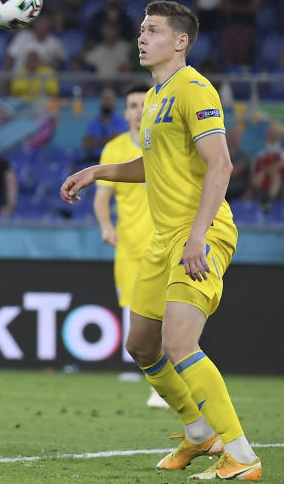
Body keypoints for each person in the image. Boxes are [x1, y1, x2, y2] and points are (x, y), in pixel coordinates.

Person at [61, 0, 262, 480]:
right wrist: (99, 171)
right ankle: (198, 433)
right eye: (141, 30)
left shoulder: (195, 88)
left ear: (180, 41)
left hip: (202, 233)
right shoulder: (155, 97)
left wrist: (198, 236)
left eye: (152, 30)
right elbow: (154, 166)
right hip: (163, 237)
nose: (141, 38)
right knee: (142, 345)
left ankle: (242, 455)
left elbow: (222, 164)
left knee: (178, 341)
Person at [93, 83, 169, 410]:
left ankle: (166, 380)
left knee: (169, 311)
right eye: (132, 105)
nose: (138, 110)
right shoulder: (114, 149)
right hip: (130, 246)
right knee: (133, 309)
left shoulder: (164, 143)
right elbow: (101, 198)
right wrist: (107, 227)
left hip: (166, 242)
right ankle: (142, 370)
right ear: (125, 112)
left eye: (143, 104)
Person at [81, 87, 129, 162]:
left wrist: (95, 142)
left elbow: (122, 141)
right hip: (94, 160)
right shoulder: (94, 122)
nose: (106, 102)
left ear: (114, 102)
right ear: (100, 102)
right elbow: (86, 144)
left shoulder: (121, 121)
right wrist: (110, 139)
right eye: (104, 99)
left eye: (109, 99)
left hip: (116, 160)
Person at [248, 123, 284, 205]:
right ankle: (265, 203)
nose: (272, 140)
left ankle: (270, 200)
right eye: (270, 137)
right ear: (265, 139)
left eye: (275, 137)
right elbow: (254, 178)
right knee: (256, 181)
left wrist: (263, 172)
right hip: (262, 189)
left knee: (275, 172)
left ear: (280, 139)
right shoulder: (259, 157)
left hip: (282, 191)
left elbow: (280, 165)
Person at [225, 125, 251, 201]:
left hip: (239, 196)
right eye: (231, 138)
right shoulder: (220, 155)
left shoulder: (244, 156)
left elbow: (235, 170)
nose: (233, 140)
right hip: (221, 194)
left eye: (236, 138)